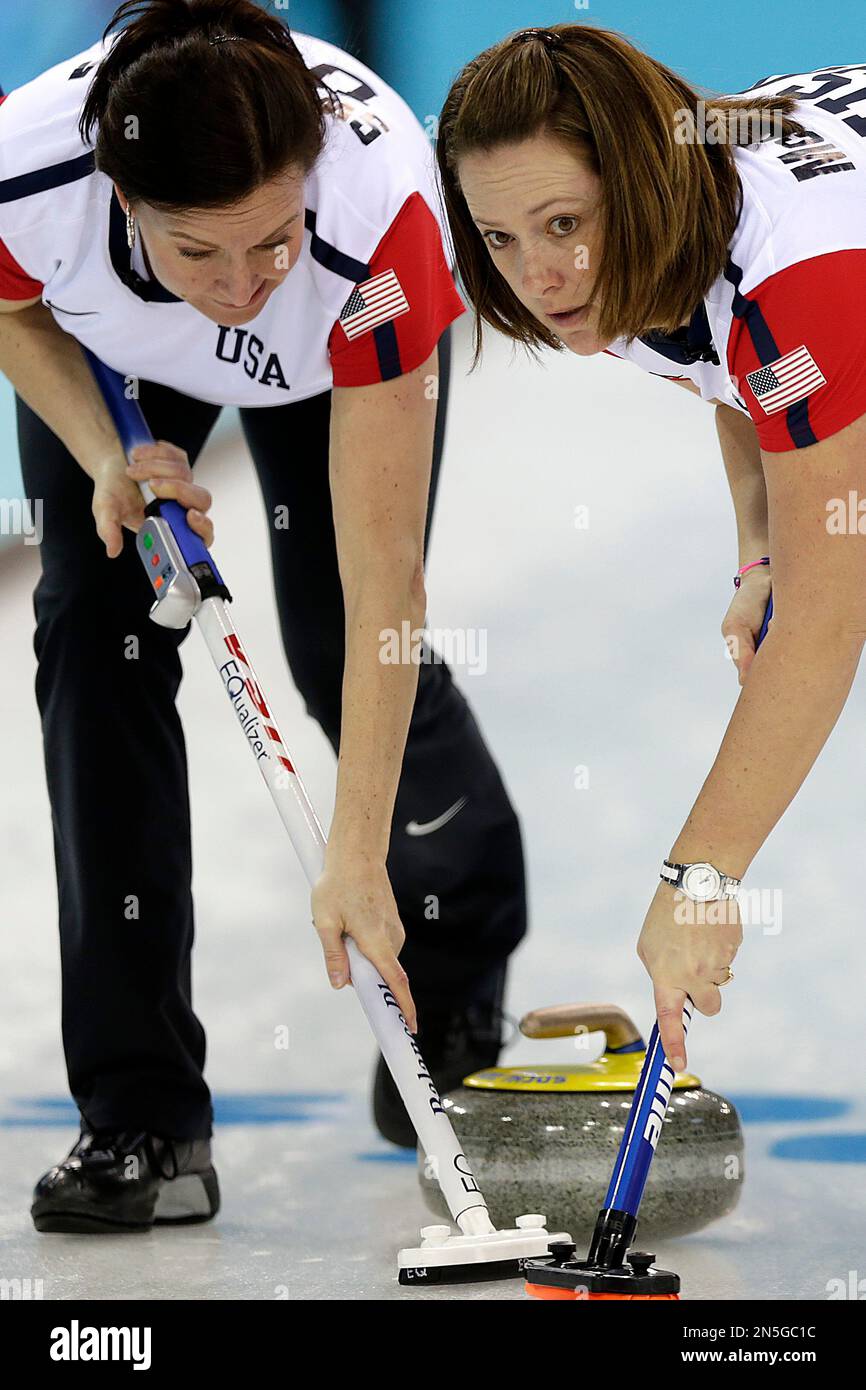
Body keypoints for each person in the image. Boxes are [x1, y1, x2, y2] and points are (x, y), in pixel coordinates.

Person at [0, 0, 527, 1233]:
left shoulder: (377, 218)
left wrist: (356, 857)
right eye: (199, 253)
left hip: (334, 352)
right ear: (119, 201)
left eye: (268, 238)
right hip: (119, 363)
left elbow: (390, 586)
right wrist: (102, 454)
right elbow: (16, 306)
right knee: (95, 626)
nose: (238, 288)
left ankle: (458, 926)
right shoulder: (30, 168)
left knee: (339, 638)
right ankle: (142, 1113)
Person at [436, 24, 866, 1070]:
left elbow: (827, 619)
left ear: (633, 177)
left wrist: (699, 879)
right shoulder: (654, 232)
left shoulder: (800, 273)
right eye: (496, 238)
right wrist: (758, 555)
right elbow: (733, 367)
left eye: (561, 223)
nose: (536, 273)